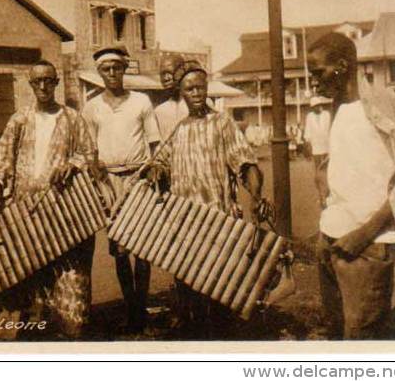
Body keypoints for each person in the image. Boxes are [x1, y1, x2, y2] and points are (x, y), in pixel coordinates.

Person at [0, 60, 98, 339]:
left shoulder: (73, 118)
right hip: (27, 208)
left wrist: (73, 163)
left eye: (49, 81)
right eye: (38, 82)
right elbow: (2, 158)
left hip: (64, 209)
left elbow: (90, 154)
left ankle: (68, 327)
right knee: (29, 268)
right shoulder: (19, 119)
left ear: (56, 83)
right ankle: (36, 327)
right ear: (31, 85)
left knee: (69, 270)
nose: (44, 86)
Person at [147, 61, 263, 338]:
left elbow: (245, 164)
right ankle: (195, 334)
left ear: (207, 89)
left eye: (200, 87)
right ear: (181, 92)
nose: (196, 93)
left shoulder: (222, 123)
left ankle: (222, 336)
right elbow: (160, 163)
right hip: (185, 221)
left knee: (221, 283)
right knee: (188, 282)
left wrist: (256, 195)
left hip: (218, 219)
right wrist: (155, 170)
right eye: (189, 89)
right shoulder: (179, 129)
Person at [308, 33, 395, 340]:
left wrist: (364, 233)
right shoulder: (335, 108)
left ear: (343, 66)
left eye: (318, 73)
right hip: (332, 244)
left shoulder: (383, 103)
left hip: (368, 247)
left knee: (362, 342)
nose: (314, 83)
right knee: (337, 336)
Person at [81, 44, 161, 333]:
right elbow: (89, 148)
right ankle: (131, 309)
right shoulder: (91, 106)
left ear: (124, 69)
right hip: (109, 183)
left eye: (117, 67)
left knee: (143, 247)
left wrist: (153, 170)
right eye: (106, 69)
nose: (112, 73)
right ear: (99, 73)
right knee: (120, 248)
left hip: (138, 180)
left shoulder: (141, 101)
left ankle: (141, 309)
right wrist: (96, 171)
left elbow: (154, 143)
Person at [303, 96, 332, 208]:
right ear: (312, 108)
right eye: (315, 106)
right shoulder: (310, 117)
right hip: (316, 149)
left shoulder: (326, 115)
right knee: (318, 173)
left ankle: (329, 194)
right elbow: (308, 133)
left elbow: (329, 130)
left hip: (327, 148)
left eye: (319, 105)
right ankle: (321, 196)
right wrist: (308, 146)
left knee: (328, 171)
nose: (318, 108)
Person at [154, 54, 188, 140]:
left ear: (182, 72)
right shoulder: (159, 111)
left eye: (169, 73)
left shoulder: (199, 104)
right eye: (162, 74)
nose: (166, 78)